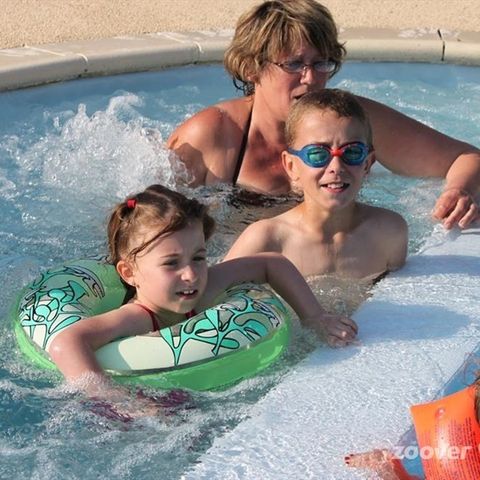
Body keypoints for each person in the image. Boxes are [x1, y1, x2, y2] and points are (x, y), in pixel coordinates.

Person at [167, 0, 480, 230]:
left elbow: (466, 157)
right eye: (293, 64)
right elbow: (158, 223)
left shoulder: (352, 120)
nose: (310, 78)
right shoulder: (213, 136)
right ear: (251, 68)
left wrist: (459, 191)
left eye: (321, 63)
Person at [48, 184, 358, 413]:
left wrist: (314, 316)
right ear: (129, 273)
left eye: (198, 257)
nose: (191, 274)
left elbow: (271, 263)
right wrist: (113, 399)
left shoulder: (205, 287)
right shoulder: (137, 317)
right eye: (171, 263)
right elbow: (67, 342)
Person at [225, 89, 408, 281]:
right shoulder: (267, 241)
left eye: (352, 152)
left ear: (368, 163)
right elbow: (213, 296)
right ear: (291, 166)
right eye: (318, 154)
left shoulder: (389, 232)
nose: (336, 167)